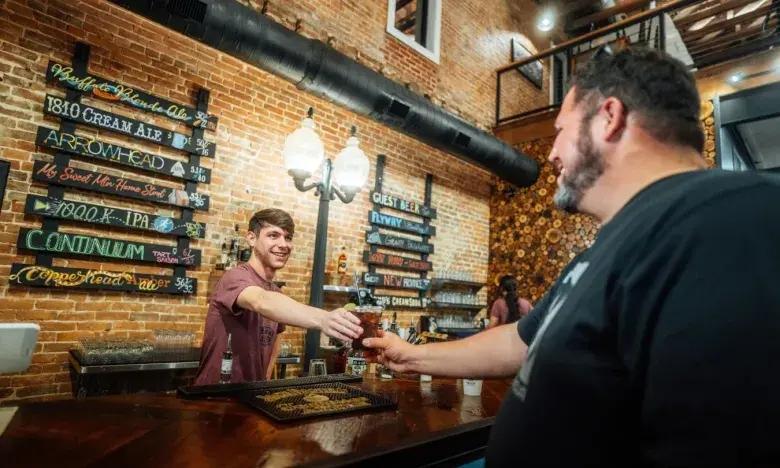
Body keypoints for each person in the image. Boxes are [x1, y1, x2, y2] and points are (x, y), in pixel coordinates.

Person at [364, 47, 780, 467]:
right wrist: (411, 355)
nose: (550, 154)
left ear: (609, 117)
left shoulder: (732, 217)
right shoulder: (605, 250)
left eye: (561, 130)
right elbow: (520, 341)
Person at [195, 209, 362, 385]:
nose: (283, 244)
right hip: (215, 394)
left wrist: (265, 379)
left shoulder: (276, 292)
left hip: (250, 395)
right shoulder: (235, 277)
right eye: (273, 235)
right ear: (252, 238)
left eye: (288, 237)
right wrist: (324, 318)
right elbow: (261, 301)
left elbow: (276, 337)